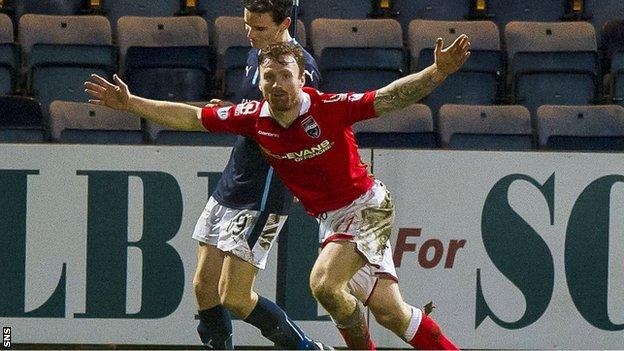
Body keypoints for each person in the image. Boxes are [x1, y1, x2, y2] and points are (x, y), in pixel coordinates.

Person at [84, 36, 469, 350]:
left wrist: (437, 71)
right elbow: (190, 117)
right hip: (332, 220)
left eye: (286, 76)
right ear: (261, 82)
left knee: (324, 285)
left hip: (367, 208)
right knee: (391, 313)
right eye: (269, 78)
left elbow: (390, 97)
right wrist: (130, 103)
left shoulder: (329, 108)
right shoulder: (252, 117)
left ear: (302, 78)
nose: (278, 85)